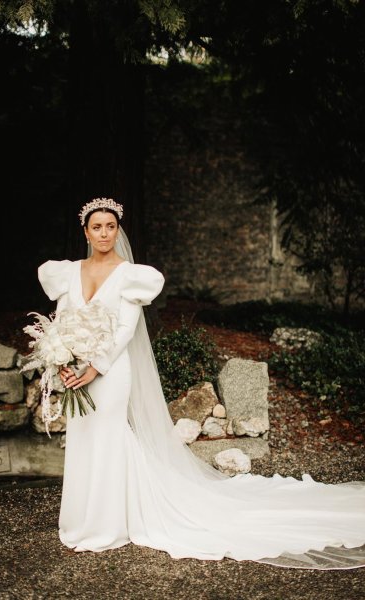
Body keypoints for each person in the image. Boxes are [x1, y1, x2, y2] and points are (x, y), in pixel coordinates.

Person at [38, 197, 365, 570]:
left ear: (118, 230)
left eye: (110, 226)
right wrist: (62, 362)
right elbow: (62, 321)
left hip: (109, 372)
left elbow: (126, 329)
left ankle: (108, 524)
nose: (104, 233)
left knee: (110, 437)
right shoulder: (67, 273)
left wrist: (95, 367)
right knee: (83, 439)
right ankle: (81, 519)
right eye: (96, 227)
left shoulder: (130, 275)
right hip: (75, 373)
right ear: (85, 231)